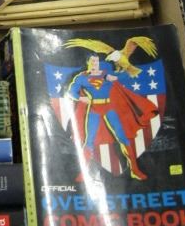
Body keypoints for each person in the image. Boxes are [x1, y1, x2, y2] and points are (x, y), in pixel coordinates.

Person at [66, 53, 158, 182]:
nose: (94, 64)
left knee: (123, 138)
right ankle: (84, 173)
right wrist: (81, 98)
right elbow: (71, 91)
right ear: (88, 63)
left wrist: (118, 72)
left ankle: (135, 170)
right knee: (89, 141)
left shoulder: (106, 72)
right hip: (94, 109)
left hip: (109, 108)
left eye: (96, 61)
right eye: (92, 61)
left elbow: (128, 75)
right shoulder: (82, 77)